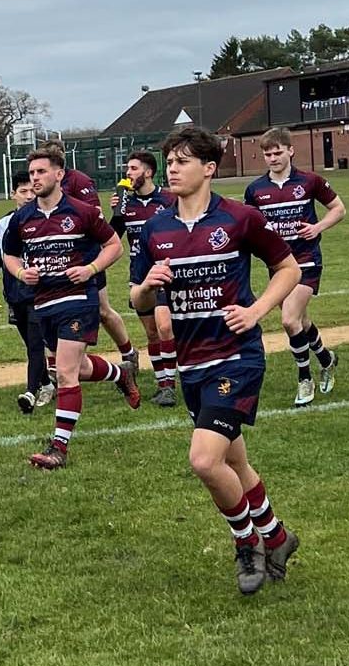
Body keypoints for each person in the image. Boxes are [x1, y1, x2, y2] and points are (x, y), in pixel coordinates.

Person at [129, 127, 301, 595]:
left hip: (236, 357)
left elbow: (289, 268)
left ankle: (247, 543)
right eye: (170, 161)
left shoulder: (240, 218)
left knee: (205, 461)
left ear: (209, 168)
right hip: (191, 364)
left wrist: (257, 311)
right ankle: (280, 538)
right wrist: (148, 285)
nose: (173, 168)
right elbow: (136, 298)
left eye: (183, 161)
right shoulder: (155, 228)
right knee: (235, 465)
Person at [1, 147, 140, 470]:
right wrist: (22, 272)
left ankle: (58, 448)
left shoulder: (81, 211)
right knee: (75, 369)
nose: (35, 178)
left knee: (64, 372)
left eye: (41, 172)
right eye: (32, 173)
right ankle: (120, 374)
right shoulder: (22, 218)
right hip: (44, 302)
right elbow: (9, 254)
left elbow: (113, 245)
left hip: (78, 300)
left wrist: (90, 270)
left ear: (59, 174)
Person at [244, 128, 346, 406]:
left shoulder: (310, 181)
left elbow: (339, 209)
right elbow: (250, 225)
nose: (273, 158)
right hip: (278, 264)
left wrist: (318, 227)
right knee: (300, 321)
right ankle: (326, 358)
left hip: (307, 260)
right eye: (268, 154)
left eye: (278, 152)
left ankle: (305, 378)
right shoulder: (255, 189)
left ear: (290, 150)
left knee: (289, 319)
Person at [43, 142, 143, 376]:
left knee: (103, 311)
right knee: (52, 310)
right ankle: (55, 368)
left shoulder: (79, 181)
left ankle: (128, 353)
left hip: (86, 255)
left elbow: (95, 218)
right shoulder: (43, 183)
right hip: (54, 257)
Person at [0, 172, 53, 412]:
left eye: (32, 190)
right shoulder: (3, 225)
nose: (29, 195)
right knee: (29, 343)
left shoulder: (46, 221)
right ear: (13, 195)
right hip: (15, 295)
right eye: (23, 191)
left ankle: (31, 393)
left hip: (40, 295)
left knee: (35, 344)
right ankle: (46, 382)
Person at [113, 152, 180, 407]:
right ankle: (161, 381)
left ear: (148, 172)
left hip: (164, 269)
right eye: (127, 168)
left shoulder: (169, 199)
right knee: (152, 332)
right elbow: (112, 236)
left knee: (165, 327)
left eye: (133, 168)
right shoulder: (125, 203)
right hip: (138, 274)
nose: (128, 173)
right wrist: (117, 213)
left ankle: (169, 386)